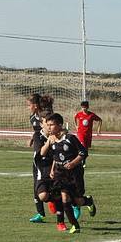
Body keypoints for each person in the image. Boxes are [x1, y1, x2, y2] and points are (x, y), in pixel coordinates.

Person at [41, 113, 96, 234]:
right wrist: (52, 169)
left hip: (74, 173)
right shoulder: (52, 139)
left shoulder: (70, 138)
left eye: (52, 125)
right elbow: (47, 155)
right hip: (60, 173)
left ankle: (88, 201)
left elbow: (83, 153)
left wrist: (73, 163)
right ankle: (75, 226)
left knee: (77, 201)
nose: (49, 127)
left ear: (60, 125)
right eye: (48, 125)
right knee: (64, 198)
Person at [27, 93, 54, 223]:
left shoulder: (47, 115)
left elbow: (53, 128)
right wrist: (33, 138)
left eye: (29, 105)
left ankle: (72, 202)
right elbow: (37, 132)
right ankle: (40, 213)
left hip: (50, 153)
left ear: (35, 105)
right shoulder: (32, 118)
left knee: (55, 181)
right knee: (36, 182)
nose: (28, 107)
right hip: (38, 153)